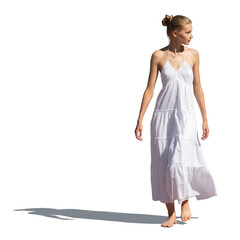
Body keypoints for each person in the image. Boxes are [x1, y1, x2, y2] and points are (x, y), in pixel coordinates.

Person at [134, 14, 217, 228]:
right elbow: (150, 89)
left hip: (186, 114)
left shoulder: (194, 55)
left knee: (182, 158)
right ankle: (171, 212)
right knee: (164, 164)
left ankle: (186, 201)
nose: (192, 35)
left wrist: (205, 118)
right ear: (175, 33)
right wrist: (140, 119)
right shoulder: (158, 56)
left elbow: (198, 87)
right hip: (163, 116)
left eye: (191, 31)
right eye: (188, 32)